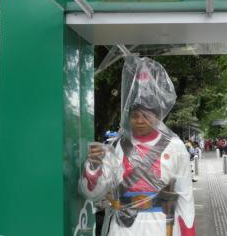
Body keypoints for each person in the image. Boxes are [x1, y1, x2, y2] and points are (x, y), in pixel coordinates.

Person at [80, 57, 196, 236]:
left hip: (162, 226)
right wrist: (94, 167)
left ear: (158, 116)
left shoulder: (175, 146)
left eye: (146, 115)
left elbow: (185, 195)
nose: (140, 121)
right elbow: (93, 193)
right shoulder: (117, 146)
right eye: (135, 116)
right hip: (123, 227)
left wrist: (189, 232)